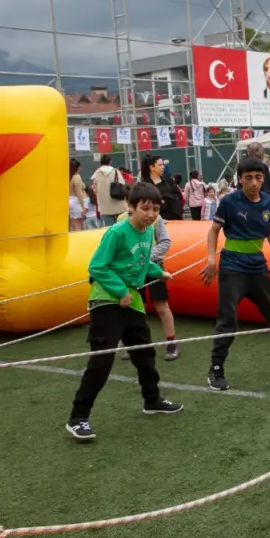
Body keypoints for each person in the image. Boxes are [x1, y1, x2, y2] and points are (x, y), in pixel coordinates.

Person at [66, 182, 183, 441]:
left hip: (133, 302)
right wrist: (120, 292)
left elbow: (141, 262)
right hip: (106, 301)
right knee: (102, 360)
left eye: (155, 209)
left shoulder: (147, 232)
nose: (151, 214)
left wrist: (158, 272)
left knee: (145, 354)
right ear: (131, 207)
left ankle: (152, 400)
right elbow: (97, 266)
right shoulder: (117, 232)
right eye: (145, 208)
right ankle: (78, 418)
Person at [200, 157, 270, 392]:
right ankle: (216, 368)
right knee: (228, 320)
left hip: (257, 266)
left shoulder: (268, 202)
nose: (253, 182)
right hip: (232, 267)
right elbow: (213, 231)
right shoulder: (229, 201)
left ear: (263, 179)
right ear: (240, 179)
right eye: (248, 178)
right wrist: (211, 259)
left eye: (258, 177)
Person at [117, 206, 180, 362]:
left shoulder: (156, 219)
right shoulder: (121, 219)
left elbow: (165, 242)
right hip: (132, 270)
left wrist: (146, 258)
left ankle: (171, 343)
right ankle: (133, 344)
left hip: (154, 267)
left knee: (161, 306)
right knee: (134, 307)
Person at [141, 154, 184, 221]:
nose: (163, 167)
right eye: (160, 165)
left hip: (176, 218)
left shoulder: (168, 180)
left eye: (163, 164)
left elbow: (178, 195)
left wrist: (166, 198)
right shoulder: (145, 185)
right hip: (157, 220)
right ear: (152, 167)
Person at [91, 154, 127, 227]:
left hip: (104, 205)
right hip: (118, 202)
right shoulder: (116, 171)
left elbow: (94, 189)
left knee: (110, 227)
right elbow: (123, 184)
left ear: (100, 162)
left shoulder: (96, 174)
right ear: (110, 162)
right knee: (122, 225)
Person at [68, 159, 88, 232]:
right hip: (76, 202)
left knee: (72, 224)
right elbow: (79, 194)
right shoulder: (77, 177)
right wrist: (83, 207)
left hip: (69, 201)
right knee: (78, 225)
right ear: (77, 167)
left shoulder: (67, 177)